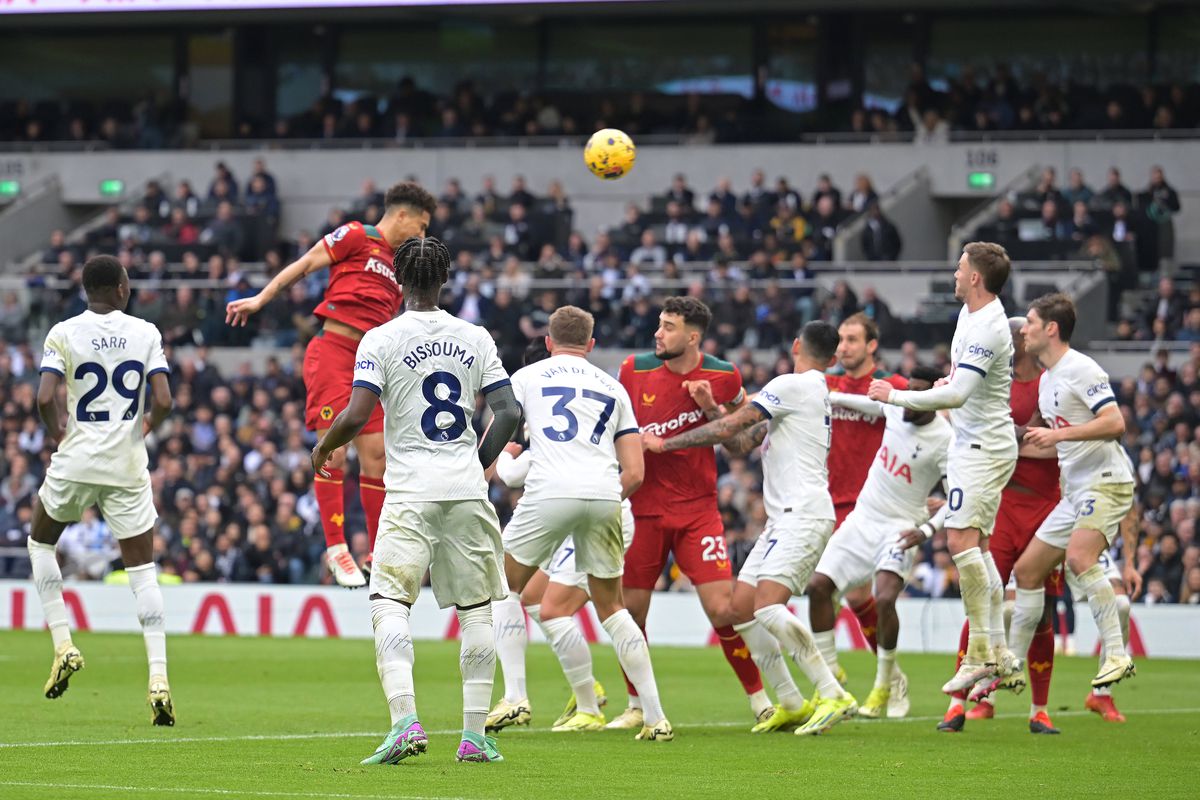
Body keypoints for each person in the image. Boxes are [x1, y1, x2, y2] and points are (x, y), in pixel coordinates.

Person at [311, 237, 520, 764]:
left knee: (388, 602)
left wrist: (324, 445)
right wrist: (478, 460)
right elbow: (509, 412)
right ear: (445, 278)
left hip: (408, 490)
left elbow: (357, 416)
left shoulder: (379, 338)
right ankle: (474, 737)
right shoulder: (475, 336)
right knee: (475, 609)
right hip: (465, 489)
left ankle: (405, 720)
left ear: (398, 281)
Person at [645, 321, 859, 736]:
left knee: (766, 606)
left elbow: (730, 429)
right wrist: (711, 406)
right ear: (832, 360)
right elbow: (743, 442)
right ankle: (792, 702)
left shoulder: (791, 386)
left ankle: (832, 691)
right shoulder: (811, 392)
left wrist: (664, 444)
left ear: (796, 345)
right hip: (787, 517)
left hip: (803, 514)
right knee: (737, 609)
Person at [228, 182, 435, 588]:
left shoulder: (403, 263)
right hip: (334, 351)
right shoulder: (358, 235)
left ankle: (379, 553)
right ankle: (337, 549)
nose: (423, 236)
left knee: (377, 457)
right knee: (334, 452)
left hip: (372, 362)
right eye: (422, 226)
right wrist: (259, 299)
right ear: (402, 215)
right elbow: (305, 264)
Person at [494, 306, 673, 741]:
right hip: (605, 496)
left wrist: (490, 466)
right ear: (591, 345)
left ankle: (516, 696)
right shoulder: (613, 388)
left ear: (549, 342)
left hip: (550, 492)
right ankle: (655, 717)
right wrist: (604, 500)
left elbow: (502, 436)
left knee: (500, 587)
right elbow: (635, 473)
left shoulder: (527, 378)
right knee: (612, 608)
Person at [868, 242, 1021, 697]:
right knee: (981, 547)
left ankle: (978, 655)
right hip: (976, 443)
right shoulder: (969, 316)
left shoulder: (989, 326)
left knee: (959, 542)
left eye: (959, 267)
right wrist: (948, 382)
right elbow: (959, 385)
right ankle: (998, 649)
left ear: (976, 277)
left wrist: (894, 396)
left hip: (982, 448)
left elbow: (955, 398)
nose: (953, 274)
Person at [29, 254, 175, 725]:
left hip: (78, 457)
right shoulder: (146, 332)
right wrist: (147, 424)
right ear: (118, 288)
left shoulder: (64, 332)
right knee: (143, 573)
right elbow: (166, 399)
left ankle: (63, 642)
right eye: (127, 282)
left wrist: (59, 435)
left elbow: (44, 397)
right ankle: (158, 679)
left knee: (39, 542)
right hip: (127, 463)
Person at [615, 297, 769, 730]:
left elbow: (742, 442)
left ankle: (760, 700)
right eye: (659, 325)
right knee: (632, 613)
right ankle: (636, 706)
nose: (657, 334)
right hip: (641, 508)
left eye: (667, 327)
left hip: (697, 512)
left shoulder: (723, 375)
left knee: (722, 610)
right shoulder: (634, 369)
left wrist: (710, 408)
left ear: (692, 336)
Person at [1007, 293, 1137, 719]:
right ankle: (1010, 662)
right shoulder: (1046, 380)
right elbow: (1051, 447)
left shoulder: (1082, 369)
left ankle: (1116, 655)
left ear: (1051, 328)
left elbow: (1115, 423)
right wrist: (1010, 448)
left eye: (1029, 322)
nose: (1022, 329)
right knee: (1027, 572)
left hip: (1107, 482)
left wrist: (1058, 437)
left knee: (1081, 559)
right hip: (1074, 490)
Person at [940, 317, 1064, 734]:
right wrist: (1024, 437)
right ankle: (960, 704)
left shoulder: (1051, 384)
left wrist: (1015, 439)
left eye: (1018, 339)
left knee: (1042, 607)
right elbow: (1023, 439)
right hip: (1003, 502)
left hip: (1047, 507)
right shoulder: (995, 386)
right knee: (982, 599)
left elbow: (1058, 443)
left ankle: (1038, 709)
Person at [806, 365, 952, 719]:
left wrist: (928, 530)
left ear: (931, 398)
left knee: (884, 597)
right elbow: (855, 403)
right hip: (862, 519)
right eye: (906, 391)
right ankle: (830, 673)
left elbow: (957, 499)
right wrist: (817, 393)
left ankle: (885, 682)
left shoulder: (946, 440)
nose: (906, 402)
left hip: (900, 527)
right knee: (817, 586)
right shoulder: (895, 409)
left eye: (916, 395)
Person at [486, 338, 616, 733]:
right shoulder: (598, 395)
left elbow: (509, 475)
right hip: (601, 508)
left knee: (514, 594)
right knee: (535, 600)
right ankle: (590, 694)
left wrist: (503, 453)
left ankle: (519, 696)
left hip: (564, 515)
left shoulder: (538, 418)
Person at [823, 313, 911, 716]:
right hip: (826, 501)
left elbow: (927, 427)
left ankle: (886, 679)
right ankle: (878, 678)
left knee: (857, 594)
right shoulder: (828, 384)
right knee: (829, 590)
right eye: (840, 339)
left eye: (852, 340)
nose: (843, 347)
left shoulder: (891, 388)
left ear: (872, 345)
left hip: (873, 505)